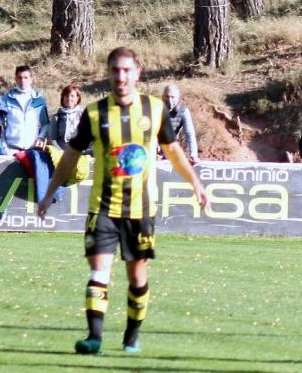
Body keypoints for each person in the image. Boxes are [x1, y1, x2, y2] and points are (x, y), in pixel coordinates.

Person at [37, 47, 207, 355]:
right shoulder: (94, 113)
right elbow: (71, 155)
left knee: (137, 276)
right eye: (115, 70)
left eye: (127, 70)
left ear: (138, 73)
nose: (121, 76)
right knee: (99, 270)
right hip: (103, 207)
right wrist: (49, 192)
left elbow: (173, 151)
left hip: (140, 210)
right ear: (109, 73)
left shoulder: (154, 110)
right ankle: (94, 338)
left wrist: (195, 183)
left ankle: (131, 335)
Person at [0, 65, 49, 152]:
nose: (23, 81)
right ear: (15, 79)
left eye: (26, 77)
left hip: (33, 150)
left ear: (31, 79)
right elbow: (0, 125)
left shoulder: (39, 100)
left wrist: (41, 137)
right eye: (20, 78)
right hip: (11, 150)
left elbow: (46, 124)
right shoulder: (6, 99)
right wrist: (3, 145)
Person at [161, 83, 198, 163]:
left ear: (177, 98)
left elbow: (190, 134)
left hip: (170, 150)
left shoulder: (183, 112)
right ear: (163, 96)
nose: (170, 100)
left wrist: (193, 154)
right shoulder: (155, 109)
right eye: (167, 97)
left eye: (172, 97)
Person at [49, 83, 84, 149]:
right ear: (63, 98)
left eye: (72, 96)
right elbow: (52, 139)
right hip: (62, 152)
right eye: (67, 96)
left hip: (81, 152)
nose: (69, 98)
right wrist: (60, 153)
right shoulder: (57, 117)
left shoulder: (84, 115)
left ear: (77, 98)